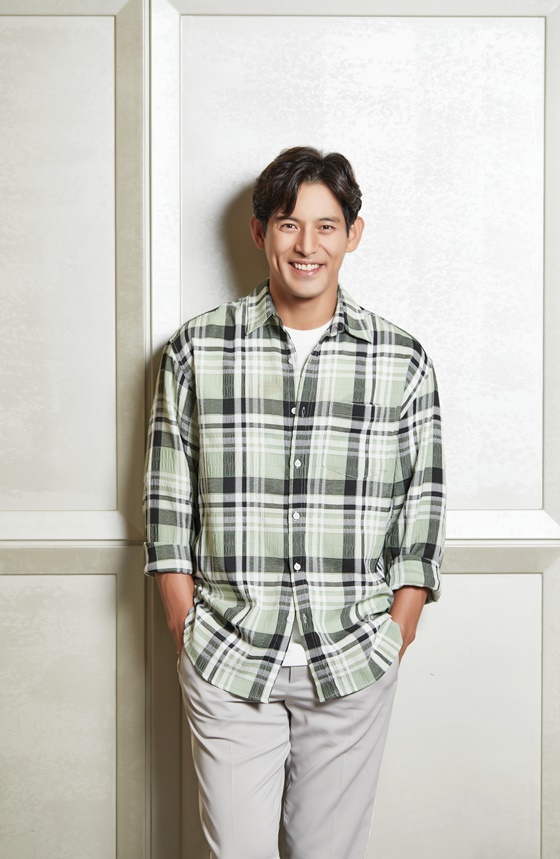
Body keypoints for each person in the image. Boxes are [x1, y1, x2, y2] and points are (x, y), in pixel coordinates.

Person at [144, 146, 445, 859]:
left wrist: (396, 632)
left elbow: (422, 512)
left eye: (326, 226)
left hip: (352, 658)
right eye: (288, 224)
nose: (307, 245)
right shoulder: (195, 350)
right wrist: (186, 627)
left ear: (353, 234)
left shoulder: (401, 360)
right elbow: (167, 510)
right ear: (260, 233)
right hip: (226, 654)